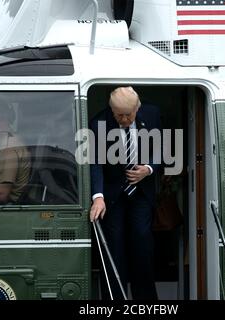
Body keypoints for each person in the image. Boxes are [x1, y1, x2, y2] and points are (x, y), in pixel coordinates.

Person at [89, 86, 161, 300]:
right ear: (111, 111)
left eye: (129, 114)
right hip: (113, 196)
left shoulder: (152, 114)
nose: (124, 119)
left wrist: (148, 169)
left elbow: (163, 148)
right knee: (114, 249)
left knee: (142, 246)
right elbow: (95, 163)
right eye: (119, 115)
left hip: (141, 194)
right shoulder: (97, 124)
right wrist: (98, 197)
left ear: (138, 108)